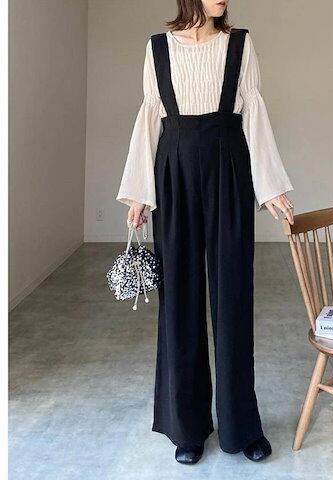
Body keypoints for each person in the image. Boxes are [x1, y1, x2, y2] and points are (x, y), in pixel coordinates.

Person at [116, 0, 295, 465]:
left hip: (228, 169)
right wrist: (139, 194)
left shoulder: (239, 44)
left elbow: (254, 114)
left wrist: (271, 187)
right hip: (173, 173)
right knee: (179, 299)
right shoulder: (158, 48)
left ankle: (241, 426)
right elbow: (150, 117)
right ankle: (187, 427)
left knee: (233, 294)